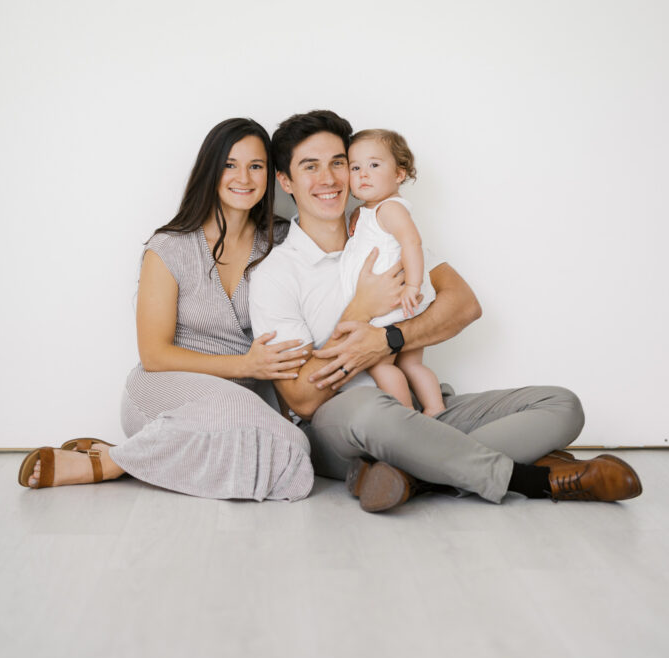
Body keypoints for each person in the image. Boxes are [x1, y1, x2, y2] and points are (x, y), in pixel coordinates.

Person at [248, 109, 642, 513]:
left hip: (420, 413)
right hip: (343, 424)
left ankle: (409, 475)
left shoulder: (383, 234)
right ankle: (533, 480)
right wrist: (360, 310)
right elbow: (301, 399)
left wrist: (389, 339)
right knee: (371, 410)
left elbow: (464, 305)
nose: (329, 179)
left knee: (562, 404)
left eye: (339, 163)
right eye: (310, 167)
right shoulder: (275, 274)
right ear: (286, 181)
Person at [18, 119, 314, 502]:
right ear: (209, 171)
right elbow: (155, 356)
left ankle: (131, 457)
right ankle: (112, 464)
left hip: (239, 408)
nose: (243, 177)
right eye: (229, 164)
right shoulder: (169, 247)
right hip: (164, 388)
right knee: (245, 415)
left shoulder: (280, 242)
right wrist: (245, 366)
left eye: (255, 166)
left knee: (295, 448)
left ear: (270, 176)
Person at [341, 128, 444, 416]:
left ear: (399, 174)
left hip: (397, 303)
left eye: (374, 165)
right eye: (355, 167)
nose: (363, 174)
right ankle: (435, 407)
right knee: (411, 363)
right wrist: (357, 215)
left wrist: (412, 286)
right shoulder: (370, 211)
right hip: (399, 303)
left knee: (380, 364)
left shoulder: (390, 209)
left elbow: (412, 242)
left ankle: (406, 415)